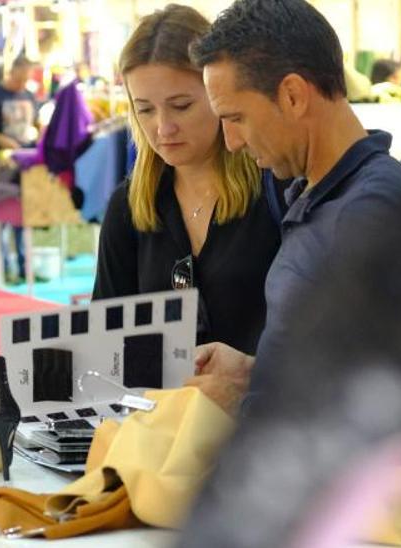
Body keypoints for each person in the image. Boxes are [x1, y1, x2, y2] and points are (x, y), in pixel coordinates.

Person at [185, 0, 401, 414]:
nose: (232, 141)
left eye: (235, 117)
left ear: (292, 95)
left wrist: (242, 407)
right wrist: (251, 374)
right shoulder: (319, 194)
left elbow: (368, 405)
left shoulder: (366, 211)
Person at [92, 4, 282, 356]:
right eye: (145, 109)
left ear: (218, 92)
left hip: (266, 408)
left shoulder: (276, 185)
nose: (163, 128)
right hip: (162, 409)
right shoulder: (130, 207)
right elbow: (105, 345)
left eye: (181, 106)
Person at [0, 56, 38, 283]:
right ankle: (4, 266)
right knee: (2, 215)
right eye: (21, 77)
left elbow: (35, 125)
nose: (23, 82)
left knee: (22, 217)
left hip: (26, 160)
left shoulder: (30, 96)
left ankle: (25, 267)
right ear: (12, 72)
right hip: (1, 161)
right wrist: (4, 141)